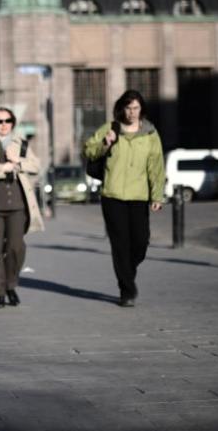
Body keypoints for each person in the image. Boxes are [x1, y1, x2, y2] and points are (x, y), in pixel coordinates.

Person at [83, 90, 165, 307]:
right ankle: (126, 290)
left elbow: (156, 166)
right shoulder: (110, 128)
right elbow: (89, 152)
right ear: (122, 108)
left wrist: (157, 195)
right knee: (120, 244)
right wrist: (105, 143)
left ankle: (127, 272)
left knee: (140, 241)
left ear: (142, 109)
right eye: (128, 108)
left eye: (136, 108)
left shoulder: (150, 133)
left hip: (139, 195)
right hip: (113, 195)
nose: (132, 112)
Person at [0, 108, 45, 309]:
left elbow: (36, 166)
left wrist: (18, 161)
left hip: (19, 205)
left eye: (8, 120)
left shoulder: (21, 143)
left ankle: (11, 285)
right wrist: (1, 169)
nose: (3, 124)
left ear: (13, 122)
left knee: (16, 248)